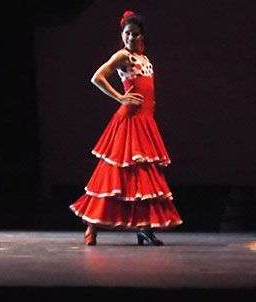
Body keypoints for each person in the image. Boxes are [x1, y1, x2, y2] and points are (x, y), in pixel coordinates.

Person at [69, 11, 183, 246]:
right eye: (127, 33)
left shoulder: (144, 58)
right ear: (122, 35)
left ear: (142, 35)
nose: (130, 37)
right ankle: (92, 226)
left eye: (134, 33)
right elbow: (97, 77)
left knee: (142, 176)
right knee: (112, 174)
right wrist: (120, 97)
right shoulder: (123, 55)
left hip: (144, 121)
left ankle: (144, 228)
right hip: (129, 121)